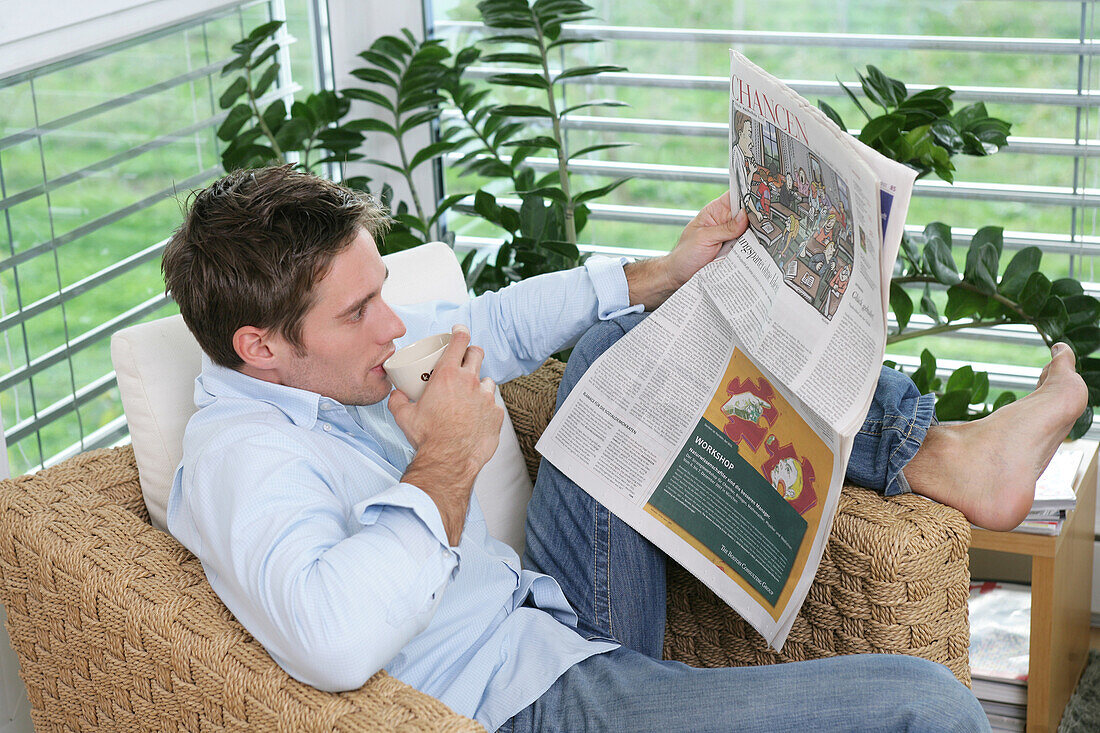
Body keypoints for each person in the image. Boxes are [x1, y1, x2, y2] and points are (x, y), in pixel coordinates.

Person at [163, 165, 1085, 732]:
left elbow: (487, 322)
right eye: (361, 311)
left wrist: (663, 272)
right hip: (530, 704)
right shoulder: (239, 462)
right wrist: (444, 467)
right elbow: (328, 640)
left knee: (633, 333)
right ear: (260, 347)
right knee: (928, 707)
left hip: (553, 616)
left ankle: (941, 455)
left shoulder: (337, 367)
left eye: (383, 292)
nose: (395, 324)